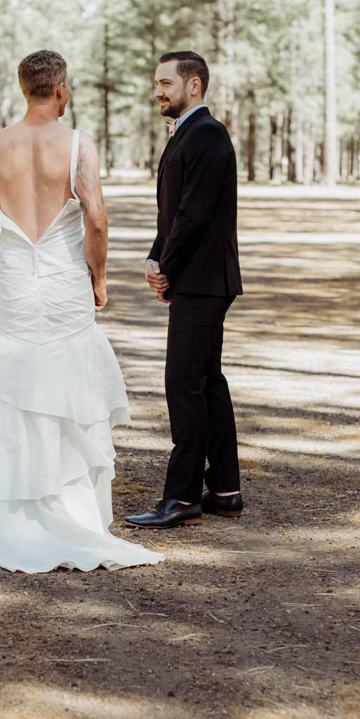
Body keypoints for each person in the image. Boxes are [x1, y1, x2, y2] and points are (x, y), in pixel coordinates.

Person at [0, 50, 163, 572]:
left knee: (9, 378)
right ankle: (70, 505)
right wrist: (97, 276)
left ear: (23, 88)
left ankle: (1, 504)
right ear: (60, 90)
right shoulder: (77, 143)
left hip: (14, 281)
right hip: (63, 281)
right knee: (66, 375)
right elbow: (95, 219)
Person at [125, 51, 243, 529]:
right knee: (207, 381)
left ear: (194, 86)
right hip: (192, 277)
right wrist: (156, 259)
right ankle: (225, 490)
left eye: (166, 83)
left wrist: (167, 268)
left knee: (184, 382)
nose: (158, 90)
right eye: (156, 82)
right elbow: (170, 216)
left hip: (204, 280)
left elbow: (194, 216)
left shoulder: (208, 134)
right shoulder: (183, 136)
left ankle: (182, 498)